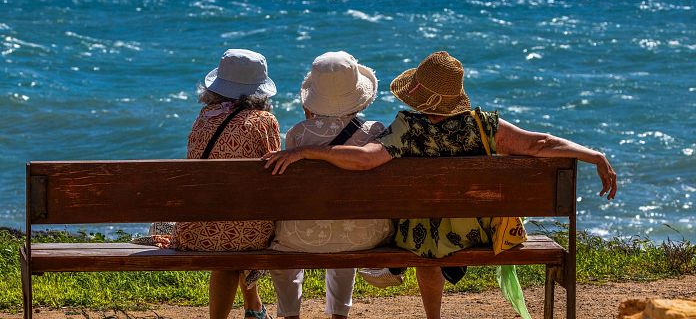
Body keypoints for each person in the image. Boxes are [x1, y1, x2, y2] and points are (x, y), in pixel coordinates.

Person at [263, 51, 617, 319]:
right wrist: (594, 155)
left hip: (426, 237)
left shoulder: (408, 128)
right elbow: (541, 144)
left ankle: (428, 309)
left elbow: (365, 160)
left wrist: (310, 152)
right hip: (476, 230)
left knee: (426, 232)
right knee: (437, 224)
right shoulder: (484, 125)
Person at [269, 51, 393, 319]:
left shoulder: (298, 134)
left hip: (302, 238)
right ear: (359, 96)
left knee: (288, 238)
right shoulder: (376, 131)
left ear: (313, 97)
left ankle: (290, 313)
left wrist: (309, 118)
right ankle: (339, 313)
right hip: (365, 234)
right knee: (346, 218)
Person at [190, 49, 281, 319]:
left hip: (197, 226)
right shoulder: (264, 122)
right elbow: (276, 178)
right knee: (238, 230)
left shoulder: (203, 120)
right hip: (246, 229)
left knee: (232, 221)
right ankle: (249, 308)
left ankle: (253, 306)